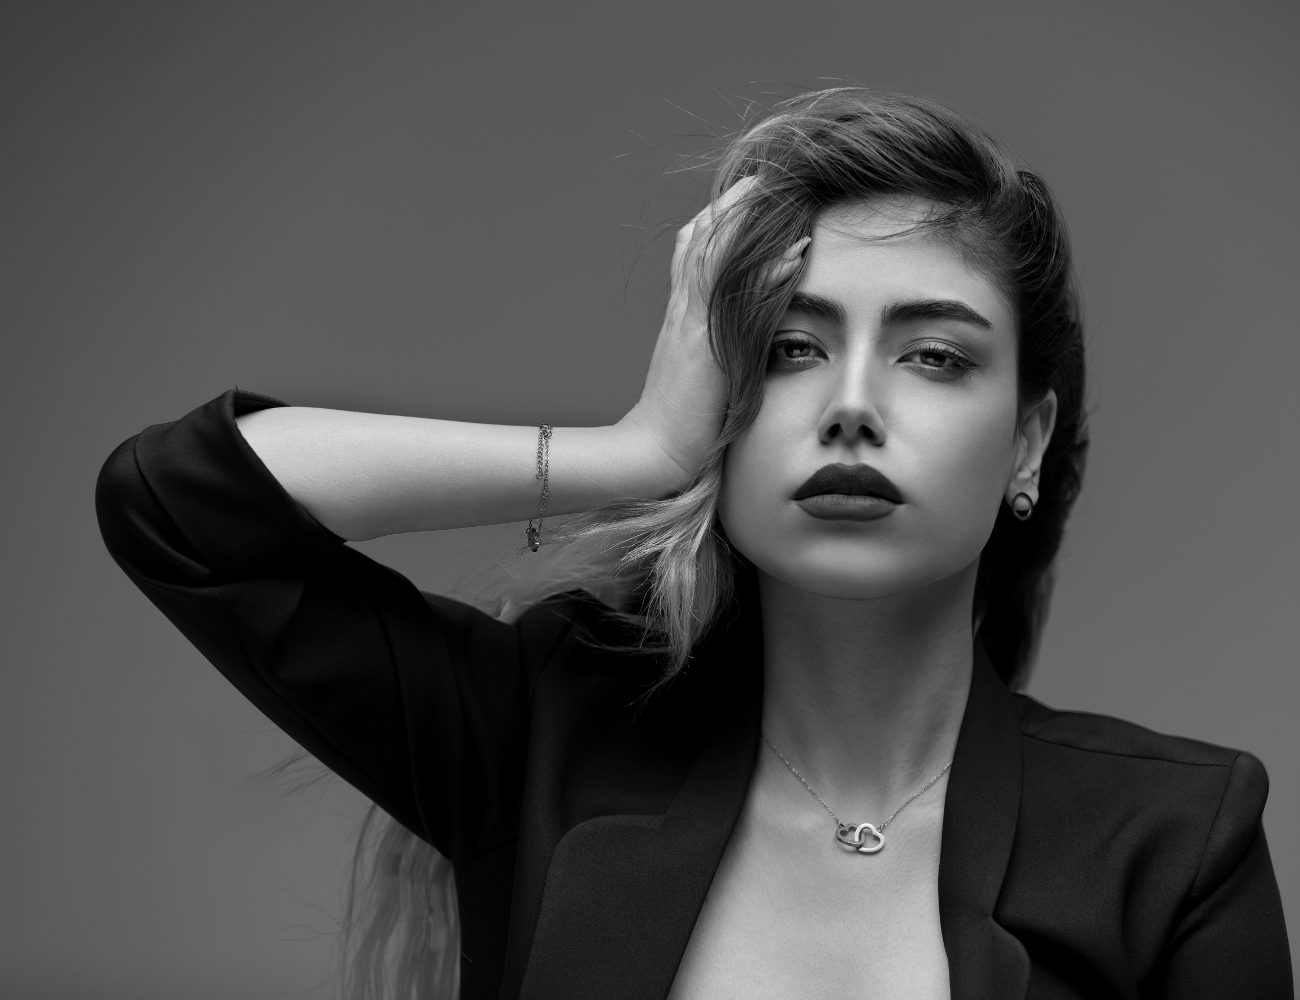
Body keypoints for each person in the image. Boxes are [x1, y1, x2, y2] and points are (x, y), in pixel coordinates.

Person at [96, 88, 1292, 1000]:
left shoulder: (1173, 841)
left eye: (933, 355)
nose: (851, 405)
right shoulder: (541, 733)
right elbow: (179, 506)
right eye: (787, 348)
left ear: (1025, 442)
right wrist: (634, 450)